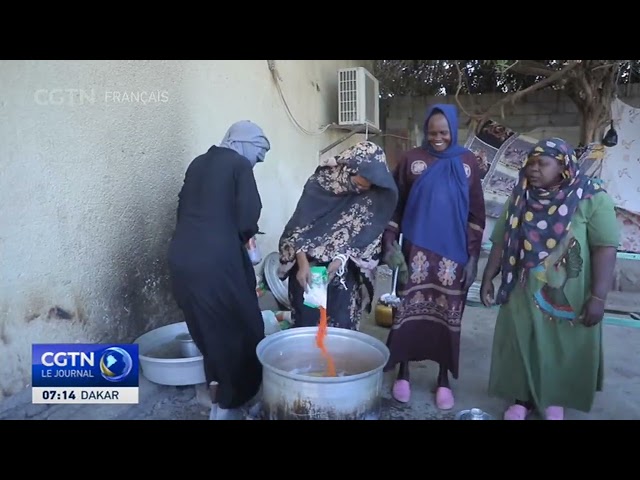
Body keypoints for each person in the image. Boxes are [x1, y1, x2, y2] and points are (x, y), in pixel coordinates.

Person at [480, 137, 619, 420]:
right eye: (530, 163)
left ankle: (554, 397)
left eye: (542, 163)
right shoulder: (521, 196)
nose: (533, 169)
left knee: (560, 344)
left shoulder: (591, 197)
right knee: (522, 340)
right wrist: (487, 278)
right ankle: (522, 399)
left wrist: (598, 297)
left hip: (566, 292)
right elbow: (501, 239)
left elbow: (605, 247)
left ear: (563, 167)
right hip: (521, 288)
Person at [382, 104, 486, 410]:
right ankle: (403, 373)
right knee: (405, 315)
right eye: (432, 133)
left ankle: (443, 379)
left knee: (447, 319)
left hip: (453, 257)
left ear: (453, 131)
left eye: (443, 133)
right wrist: (390, 243)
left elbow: (476, 214)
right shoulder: (411, 159)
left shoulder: (467, 163)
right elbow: (394, 205)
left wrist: (473, 257)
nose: (437, 138)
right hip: (414, 254)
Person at [168, 120, 271, 420]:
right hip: (216, 262)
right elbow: (247, 218)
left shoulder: (198, 163)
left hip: (181, 259)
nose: (256, 162)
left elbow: (183, 210)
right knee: (247, 327)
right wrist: (246, 239)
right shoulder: (239, 165)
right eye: (258, 154)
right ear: (242, 143)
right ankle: (233, 403)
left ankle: (218, 395)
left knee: (209, 331)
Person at [277, 140, 398, 331]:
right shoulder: (321, 183)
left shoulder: (374, 196)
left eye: (371, 182)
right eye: (360, 180)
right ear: (349, 167)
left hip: (344, 273)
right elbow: (298, 229)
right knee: (308, 328)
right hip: (309, 269)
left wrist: (341, 258)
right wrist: (302, 264)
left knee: (341, 329)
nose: (364, 187)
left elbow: (366, 239)